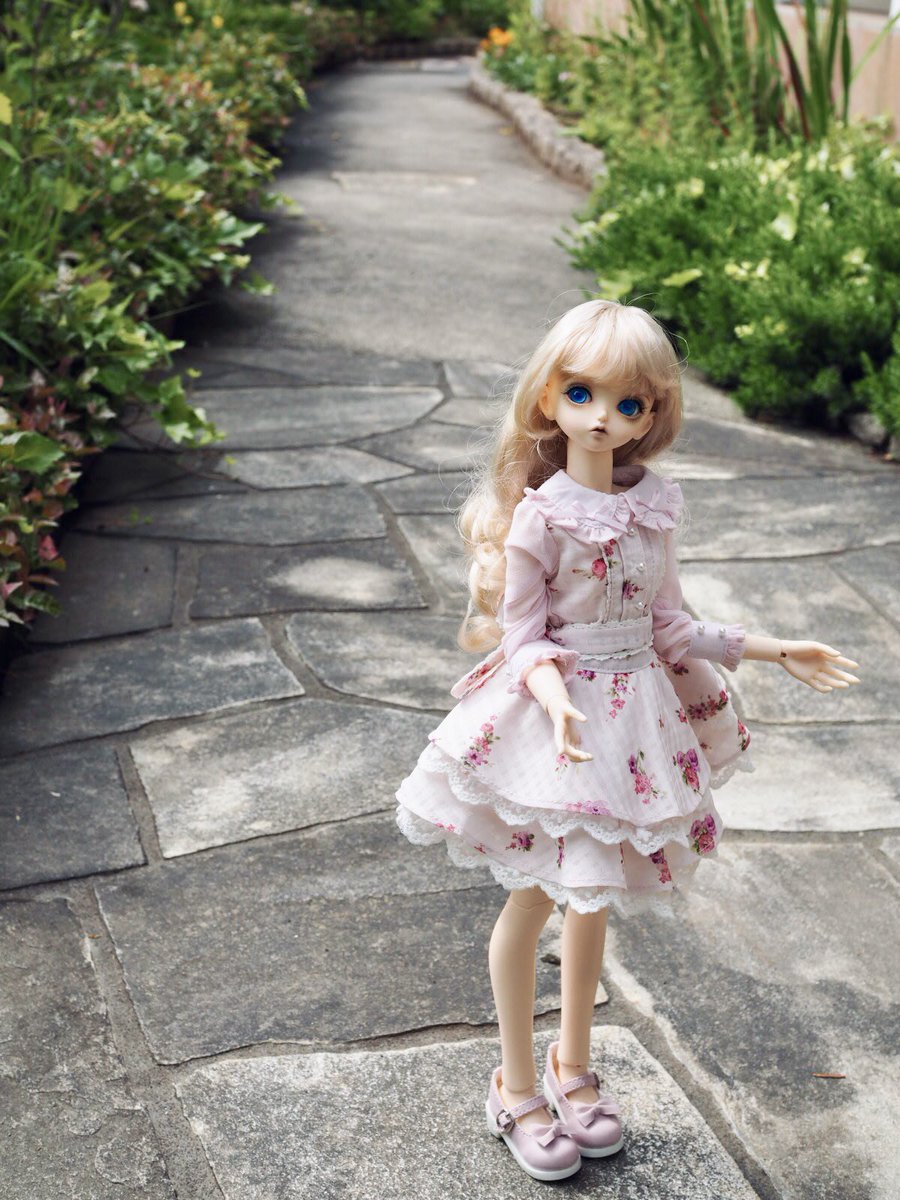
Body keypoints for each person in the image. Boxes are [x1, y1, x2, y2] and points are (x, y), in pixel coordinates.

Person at [394, 299, 859, 1182]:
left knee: (593, 898)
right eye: (581, 394)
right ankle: (514, 1084)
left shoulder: (654, 508)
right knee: (532, 900)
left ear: (652, 414)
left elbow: (669, 622)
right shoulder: (542, 517)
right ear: (548, 400)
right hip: (556, 723)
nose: (603, 417)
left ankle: (572, 1066)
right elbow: (523, 636)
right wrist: (554, 698)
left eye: (628, 402)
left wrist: (771, 648)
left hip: (634, 719)